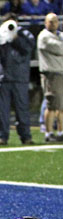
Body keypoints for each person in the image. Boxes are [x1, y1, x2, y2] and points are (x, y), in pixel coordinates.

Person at [0, 15, 35, 145]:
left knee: (22, 109)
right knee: (2, 110)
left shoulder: (25, 34)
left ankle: (25, 136)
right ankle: (2, 136)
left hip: (20, 77)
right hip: (4, 77)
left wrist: (15, 38)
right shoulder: (2, 34)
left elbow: (27, 49)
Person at [37, 12, 63, 142]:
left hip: (60, 72)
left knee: (61, 106)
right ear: (45, 23)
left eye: (55, 21)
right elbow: (60, 48)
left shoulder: (58, 35)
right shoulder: (44, 36)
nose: (53, 23)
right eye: (50, 21)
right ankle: (48, 133)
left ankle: (60, 132)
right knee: (52, 105)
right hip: (51, 74)